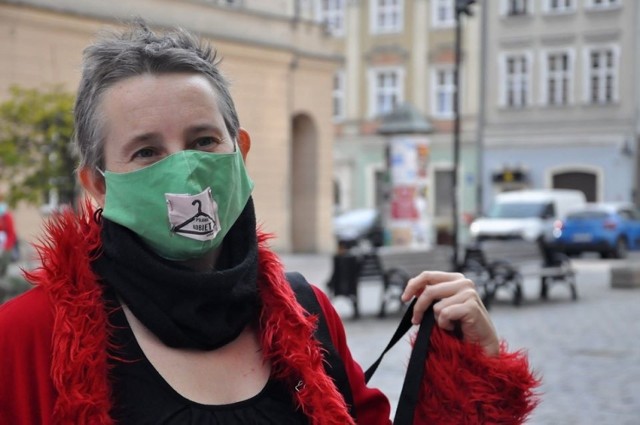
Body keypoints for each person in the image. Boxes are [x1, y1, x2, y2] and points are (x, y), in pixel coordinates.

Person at [0, 21, 539, 424]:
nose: (183, 171)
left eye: (203, 141)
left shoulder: (307, 315)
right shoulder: (27, 339)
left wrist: (472, 369)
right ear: (97, 184)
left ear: (240, 152)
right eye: (146, 152)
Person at [0, 195, 18, 277]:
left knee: (2, 271)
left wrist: (7, 248)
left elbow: (11, 233)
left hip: (4, 248)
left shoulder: (6, 216)